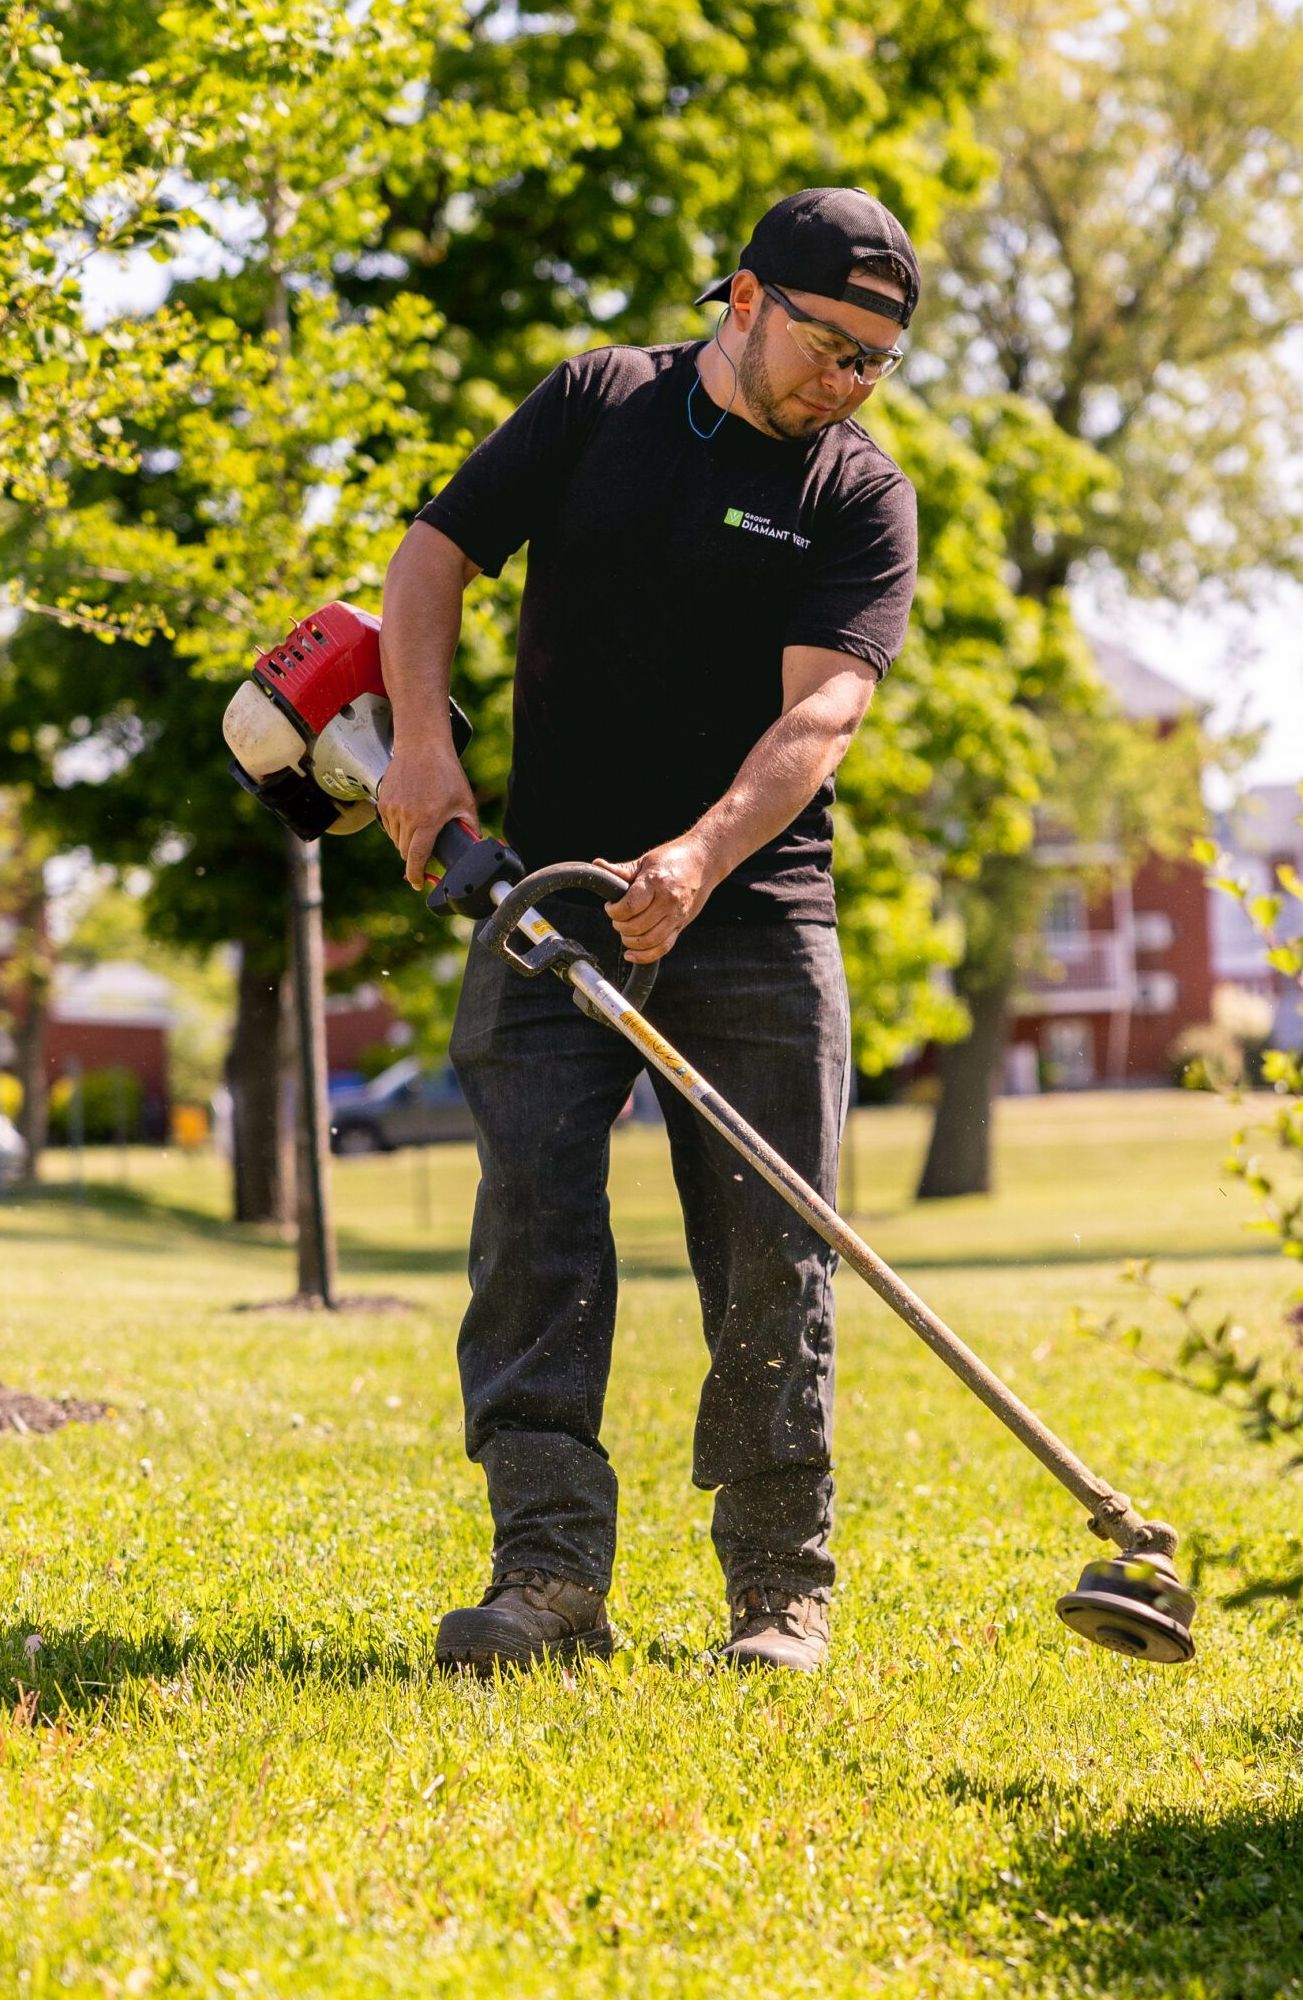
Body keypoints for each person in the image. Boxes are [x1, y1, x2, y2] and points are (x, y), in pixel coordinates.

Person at [375, 188, 921, 1674]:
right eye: (830, 343)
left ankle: (776, 1593)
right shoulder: (594, 402)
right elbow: (431, 562)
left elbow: (823, 708)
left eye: (878, 360)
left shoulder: (856, 492)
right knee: (535, 1225)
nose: (848, 382)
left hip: (752, 909)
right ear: (741, 301)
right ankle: (547, 1575)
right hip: (544, 901)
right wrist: (421, 746)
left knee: (772, 1249)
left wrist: (697, 856)